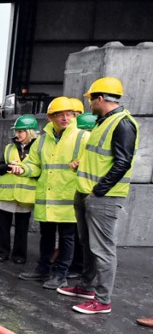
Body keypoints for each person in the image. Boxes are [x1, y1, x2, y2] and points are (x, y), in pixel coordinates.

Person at [56, 77, 139, 315]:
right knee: (89, 245)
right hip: (87, 192)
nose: (89, 104)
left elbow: (123, 162)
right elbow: (102, 157)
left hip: (102, 197)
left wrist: (98, 190)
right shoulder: (104, 122)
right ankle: (86, 287)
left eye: (91, 99)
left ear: (100, 99)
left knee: (103, 249)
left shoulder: (123, 124)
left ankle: (102, 300)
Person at [9, 96, 85, 290]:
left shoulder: (82, 137)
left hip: (68, 196)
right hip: (46, 197)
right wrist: (22, 169)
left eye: (69, 114)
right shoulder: (42, 140)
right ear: (51, 117)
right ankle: (43, 269)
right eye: (60, 115)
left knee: (67, 237)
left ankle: (61, 274)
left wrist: (81, 164)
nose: (65, 118)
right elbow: (35, 165)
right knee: (47, 235)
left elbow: (92, 162)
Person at [0, 115, 39, 263]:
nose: (17, 134)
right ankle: (1, 252)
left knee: (22, 228)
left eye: (21, 131)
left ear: (30, 132)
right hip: (6, 194)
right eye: (16, 131)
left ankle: (19, 256)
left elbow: (40, 169)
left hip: (25, 196)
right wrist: (8, 167)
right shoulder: (9, 147)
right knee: (2, 226)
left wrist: (23, 169)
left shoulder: (38, 148)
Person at [65, 112, 97, 278]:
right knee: (80, 235)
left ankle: (83, 270)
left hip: (95, 195)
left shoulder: (96, 148)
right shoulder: (83, 146)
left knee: (91, 239)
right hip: (80, 192)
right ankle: (79, 267)